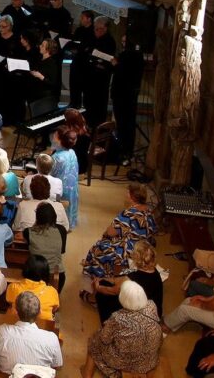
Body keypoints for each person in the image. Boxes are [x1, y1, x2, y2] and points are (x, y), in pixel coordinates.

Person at [83, 281, 162, 378]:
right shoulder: (152, 305)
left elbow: (105, 339)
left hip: (124, 363)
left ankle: (87, 374)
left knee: (95, 340)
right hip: (148, 362)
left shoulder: (117, 318)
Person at [164, 232, 214, 333]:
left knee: (184, 310)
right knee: (190, 300)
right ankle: (168, 324)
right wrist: (203, 298)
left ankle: (165, 326)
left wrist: (201, 304)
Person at [83, 183, 157, 279]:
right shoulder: (149, 211)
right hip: (144, 248)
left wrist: (105, 235)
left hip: (131, 250)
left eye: (127, 193)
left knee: (100, 247)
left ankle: (102, 275)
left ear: (132, 197)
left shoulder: (128, 214)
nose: (125, 196)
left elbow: (110, 232)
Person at [92, 240, 161, 323]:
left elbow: (113, 291)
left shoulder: (132, 278)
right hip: (155, 313)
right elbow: (119, 279)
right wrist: (103, 279)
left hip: (140, 317)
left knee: (102, 293)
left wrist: (98, 287)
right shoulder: (155, 271)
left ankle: (107, 323)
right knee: (107, 281)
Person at [0, 292, 62, 373]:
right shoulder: (51, 339)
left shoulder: (2, 332)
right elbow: (57, 365)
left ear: (16, 312)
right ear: (39, 312)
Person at [111, 35, 145, 163]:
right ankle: (126, 152)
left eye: (125, 41)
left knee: (124, 125)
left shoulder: (128, 56)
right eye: (122, 41)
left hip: (123, 95)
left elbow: (123, 74)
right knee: (126, 125)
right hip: (129, 95)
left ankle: (124, 152)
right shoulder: (138, 55)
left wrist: (116, 65)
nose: (123, 43)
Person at [0, 15, 25, 126]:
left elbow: (19, 56)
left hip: (11, 72)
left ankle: (10, 119)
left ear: (10, 26)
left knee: (9, 95)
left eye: (4, 27)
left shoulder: (17, 39)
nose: (1, 29)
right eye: (0, 26)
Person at [23, 203, 67, 293]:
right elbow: (62, 251)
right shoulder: (61, 230)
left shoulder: (28, 232)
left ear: (37, 217)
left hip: (35, 275)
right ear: (54, 216)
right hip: (57, 275)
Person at [5, 255, 59, 324]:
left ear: (25, 269)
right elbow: (55, 309)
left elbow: (9, 301)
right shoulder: (52, 291)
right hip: (45, 327)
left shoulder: (13, 287)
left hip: (16, 323)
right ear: (46, 273)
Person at [83, 16, 117, 127]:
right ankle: (87, 128)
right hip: (90, 78)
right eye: (95, 28)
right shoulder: (93, 38)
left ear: (105, 29)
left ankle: (97, 130)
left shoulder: (110, 41)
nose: (95, 31)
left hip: (101, 81)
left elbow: (109, 62)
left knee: (99, 107)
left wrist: (98, 63)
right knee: (88, 105)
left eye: (98, 29)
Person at [50, 125, 79, 228]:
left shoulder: (57, 158)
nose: (53, 136)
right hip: (72, 187)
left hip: (60, 190)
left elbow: (50, 175)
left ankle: (59, 224)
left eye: (56, 135)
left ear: (60, 140)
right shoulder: (72, 152)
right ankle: (70, 222)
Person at [28, 39, 61, 109]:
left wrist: (40, 76)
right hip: (36, 96)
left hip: (45, 99)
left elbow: (53, 83)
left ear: (48, 50)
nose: (40, 46)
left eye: (42, 45)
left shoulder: (52, 63)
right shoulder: (39, 59)